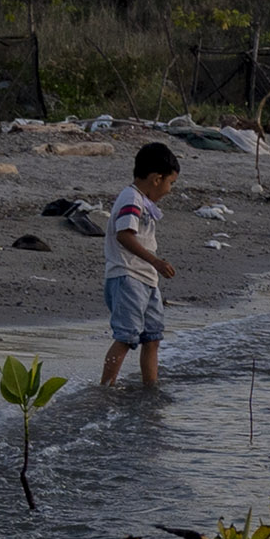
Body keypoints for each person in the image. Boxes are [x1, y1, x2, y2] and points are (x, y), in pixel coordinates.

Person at [97, 140, 183, 389]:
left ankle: (150, 388)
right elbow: (124, 235)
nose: (169, 190)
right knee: (126, 337)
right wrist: (155, 261)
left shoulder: (143, 201)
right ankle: (106, 388)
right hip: (128, 276)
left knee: (152, 338)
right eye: (170, 183)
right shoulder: (131, 199)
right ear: (157, 179)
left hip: (146, 279)